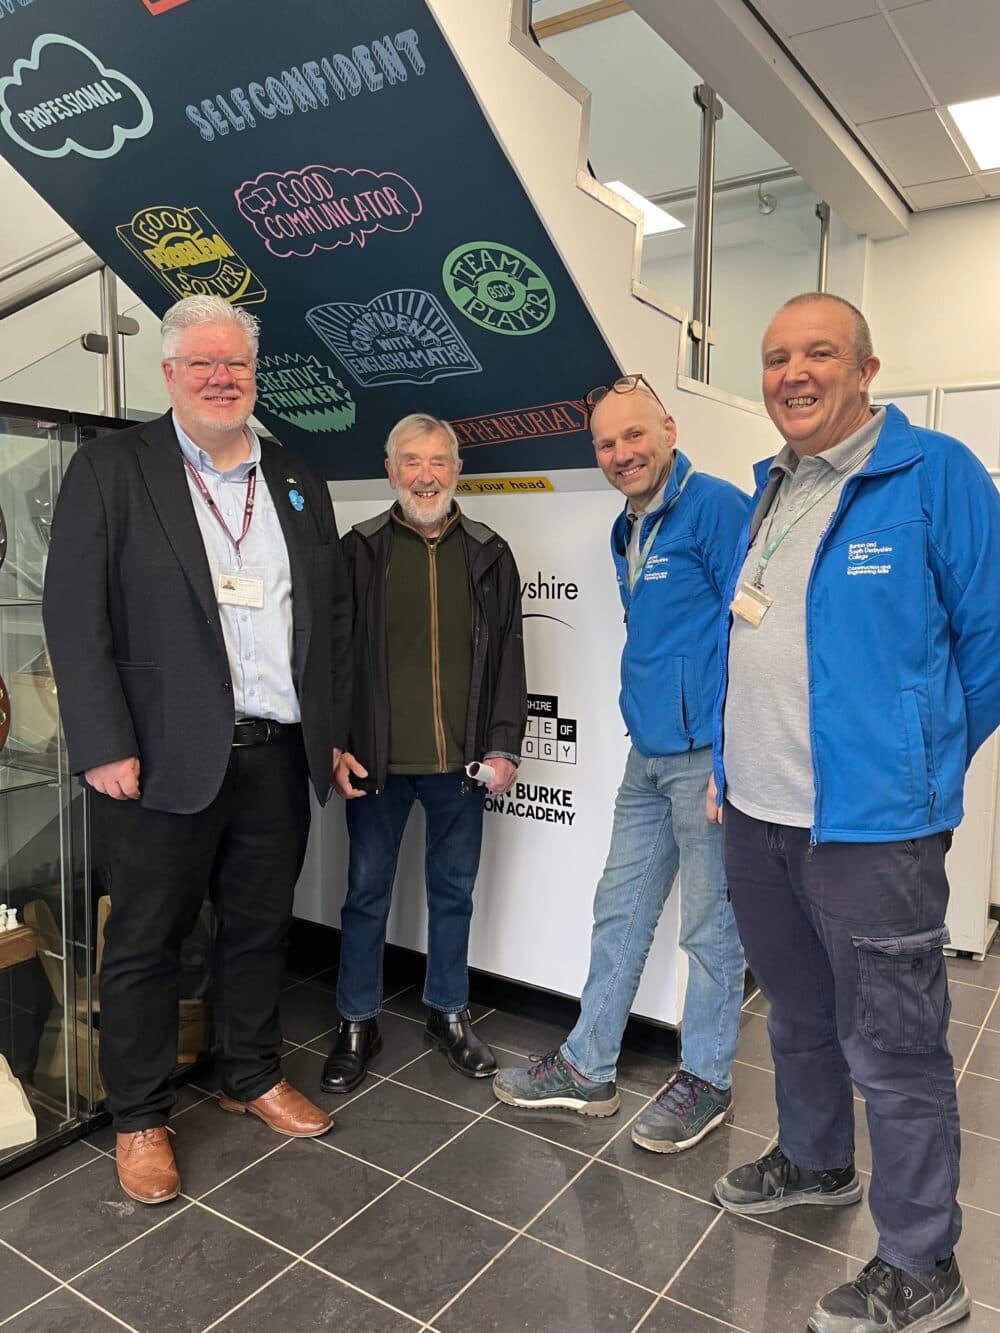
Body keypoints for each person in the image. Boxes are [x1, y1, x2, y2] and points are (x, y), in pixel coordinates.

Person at [710, 293, 1000, 1333]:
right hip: (757, 815)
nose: (793, 372)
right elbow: (751, 640)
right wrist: (728, 759)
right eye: (776, 354)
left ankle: (923, 1264)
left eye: (817, 353)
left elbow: (990, 642)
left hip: (872, 830)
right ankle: (817, 1159)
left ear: (865, 368)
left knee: (895, 1046)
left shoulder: (937, 477)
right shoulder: (773, 486)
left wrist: (919, 773)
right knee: (795, 1014)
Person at [43, 294, 352, 1205]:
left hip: (275, 753)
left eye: (239, 365)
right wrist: (101, 742)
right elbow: (74, 614)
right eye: (204, 364)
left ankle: (249, 1072)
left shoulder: (296, 477)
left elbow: (327, 620)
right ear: (169, 373)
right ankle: (138, 1116)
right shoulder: (111, 468)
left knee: (260, 928)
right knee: (146, 941)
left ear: (256, 376)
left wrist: (332, 738)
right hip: (155, 760)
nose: (224, 379)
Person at [494, 375, 750, 1152]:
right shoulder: (626, 526)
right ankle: (588, 1064)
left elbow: (753, 634)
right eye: (606, 444)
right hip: (649, 754)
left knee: (711, 929)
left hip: (706, 755)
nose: (621, 454)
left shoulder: (715, 509)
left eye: (633, 436)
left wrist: (730, 756)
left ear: (668, 428)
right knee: (621, 910)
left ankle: (707, 1077)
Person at [320, 413, 526, 1094]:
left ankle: (447, 1009)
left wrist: (503, 747)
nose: (426, 474)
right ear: (391, 471)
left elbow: (508, 664)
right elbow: (335, 661)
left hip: (460, 769)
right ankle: (356, 1019)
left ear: (457, 470)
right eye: (412, 460)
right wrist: (335, 745)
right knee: (364, 894)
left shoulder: (490, 553)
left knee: (453, 894)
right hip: (377, 763)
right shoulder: (360, 551)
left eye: (439, 460)